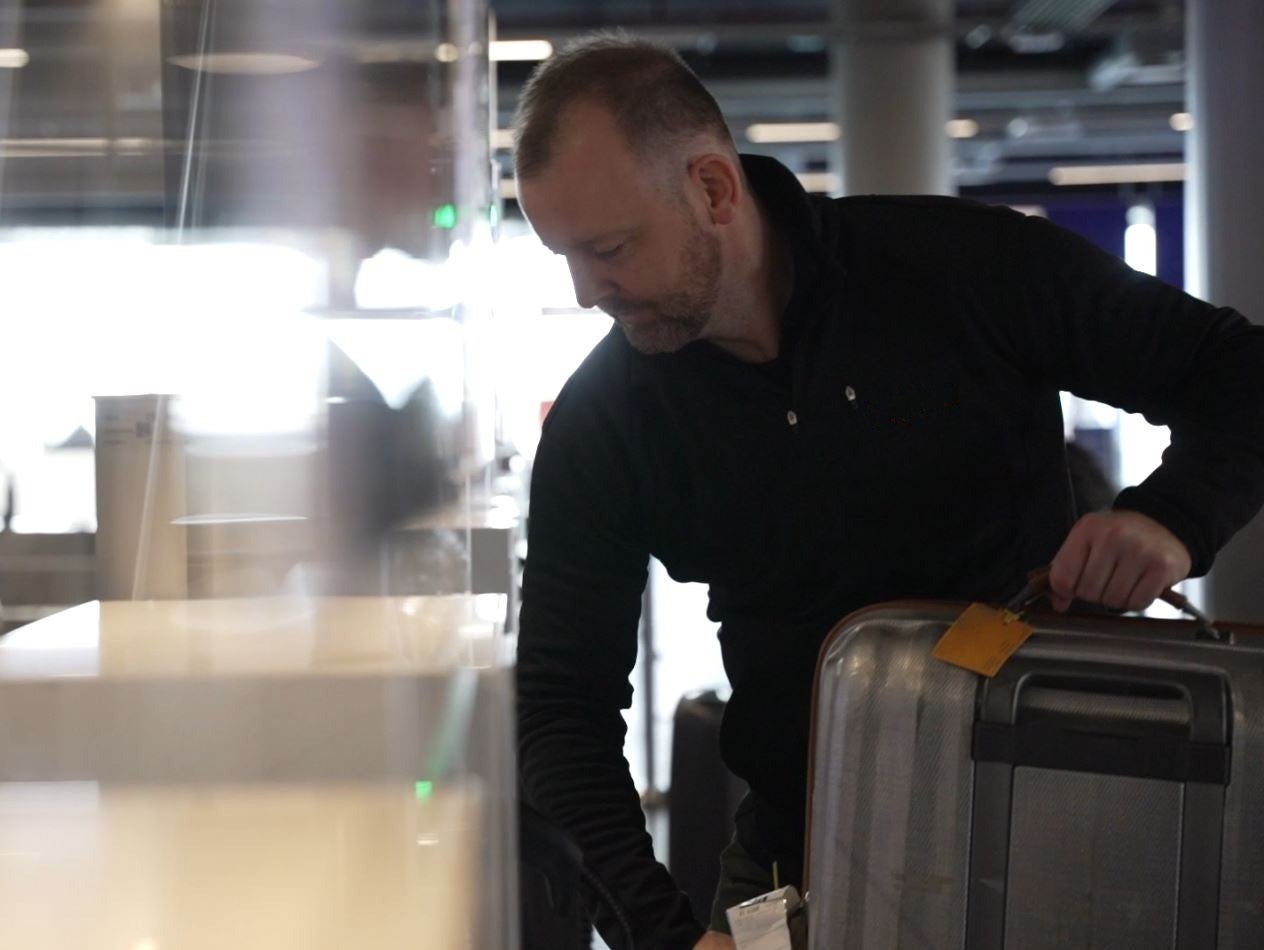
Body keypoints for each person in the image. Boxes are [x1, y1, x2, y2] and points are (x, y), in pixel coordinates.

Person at [512, 34, 1264, 950]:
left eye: (608, 249)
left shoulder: (962, 268)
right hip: (799, 853)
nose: (586, 292)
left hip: (1053, 816)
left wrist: (1172, 516)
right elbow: (561, 706)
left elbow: (1240, 372)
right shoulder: (606, 424)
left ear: (711, 188)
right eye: (564, 256)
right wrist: (659, 933)